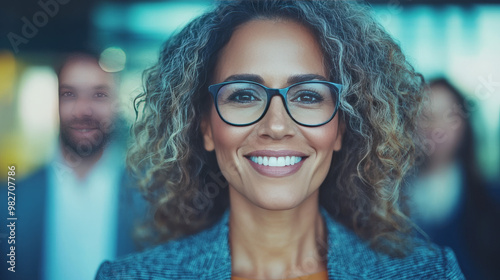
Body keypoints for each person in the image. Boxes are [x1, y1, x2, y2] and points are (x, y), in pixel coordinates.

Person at [96, 1, 464, 279]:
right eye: (243, 95)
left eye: (307, 96)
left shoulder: (429, 273)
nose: (276, 125)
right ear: (205, 127)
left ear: (341, 128)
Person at [0, 52, 145, 280]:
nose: (83, 109)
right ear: (55, 103)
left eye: (99, 95)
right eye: (69, 94)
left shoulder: (152, 199)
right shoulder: (11, 198)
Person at [408, 78, 500, 280]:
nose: (436, 127)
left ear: (465, 125)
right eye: (425, 116)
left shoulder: (491, 199)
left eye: (449, 116)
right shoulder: (385, 199)